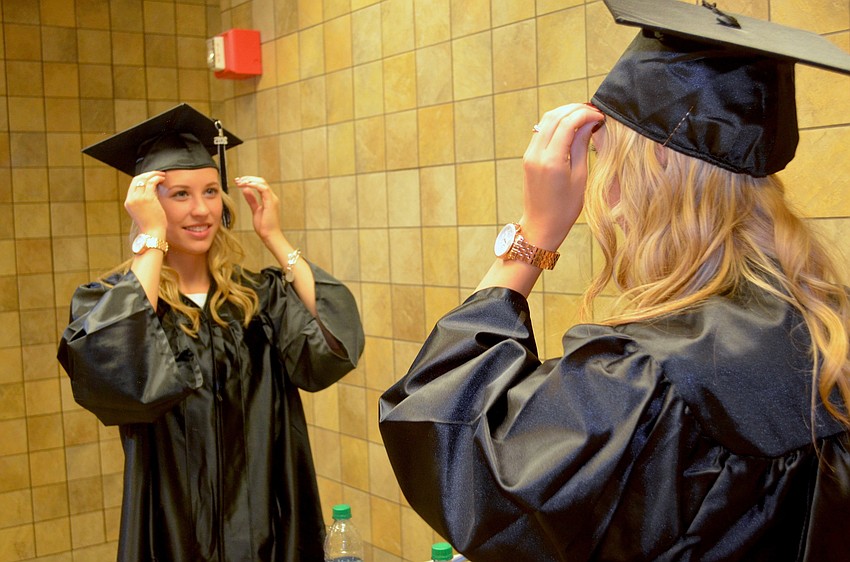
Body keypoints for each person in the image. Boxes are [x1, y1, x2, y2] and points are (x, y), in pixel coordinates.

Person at [379, 1, 850, 560]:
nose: (608, 199)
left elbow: (456, 453)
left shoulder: (651, 376)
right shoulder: (828, 330)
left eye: (610, 165)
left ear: (651, 181)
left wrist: (532, 238)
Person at [57, 103, 365, 561]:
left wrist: (274, 237)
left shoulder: (254, 296)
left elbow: (334, 347)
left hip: (269, 521)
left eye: (211, 192)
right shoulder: (117, 303)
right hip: (173, 529)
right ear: (149, 202)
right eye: (179, 194)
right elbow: (115, 373)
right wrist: (151, 239)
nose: (201, 209)